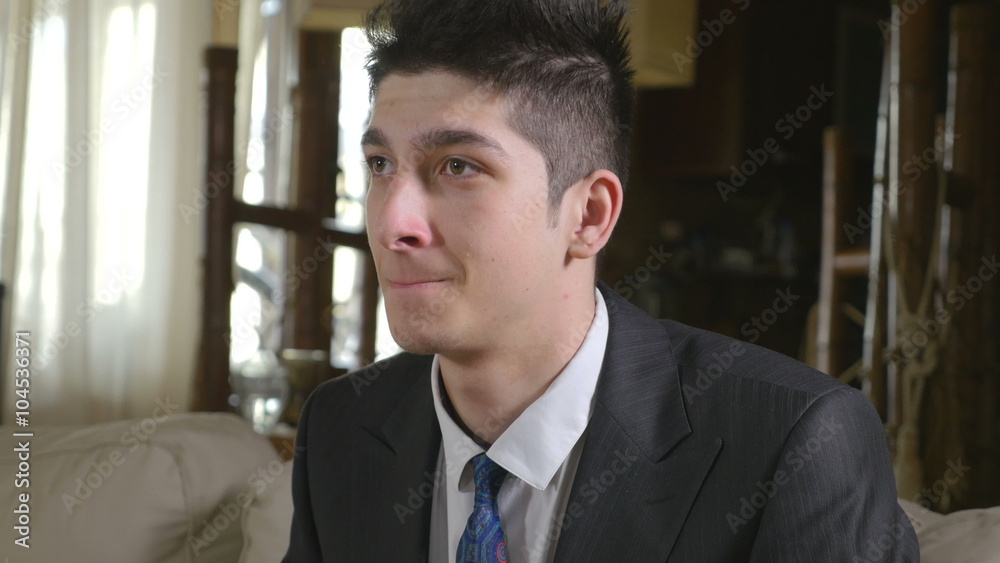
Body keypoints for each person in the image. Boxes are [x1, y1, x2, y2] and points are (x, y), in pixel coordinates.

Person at [284, 0, 919, 561]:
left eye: (458, 166)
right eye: (380, 164)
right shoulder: (341, 428)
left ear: (588, 216)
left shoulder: (794, 443)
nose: (392, 222)